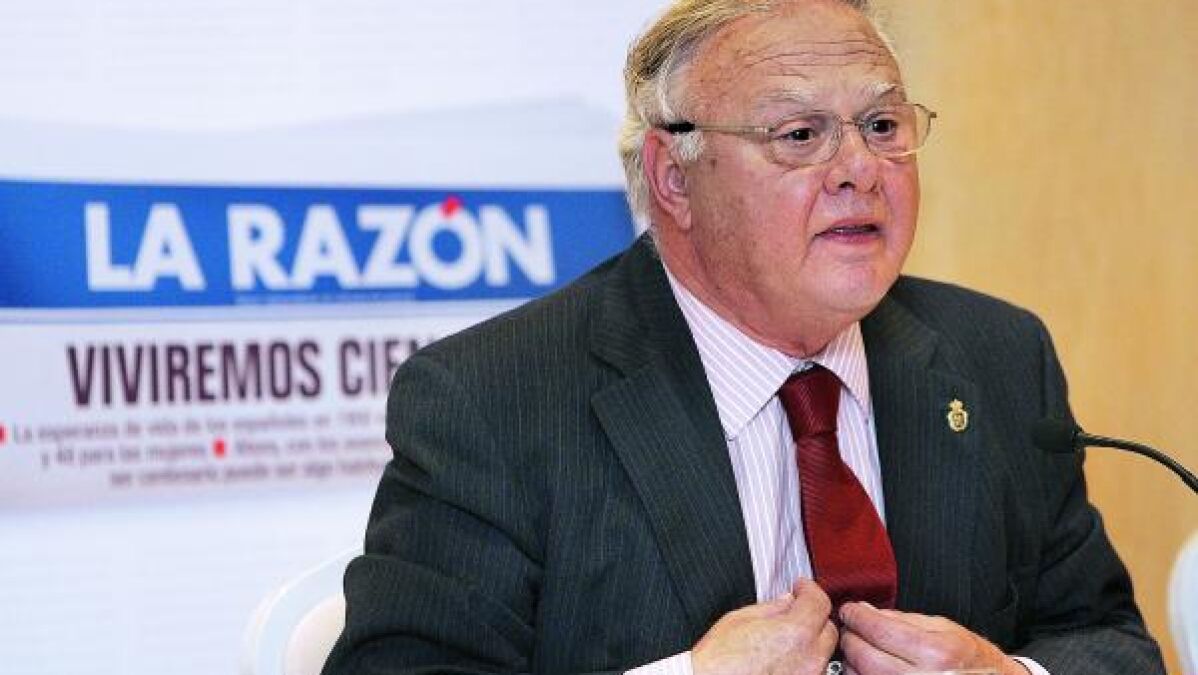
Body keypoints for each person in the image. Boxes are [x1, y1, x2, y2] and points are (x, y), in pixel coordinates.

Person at [321, 1, 1165, 673]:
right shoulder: (493, 398)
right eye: (799, 135)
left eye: (882, 126)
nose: (859, 169)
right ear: (673, 177)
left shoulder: (998, 356)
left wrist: (1007, 673)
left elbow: (1112, 643)